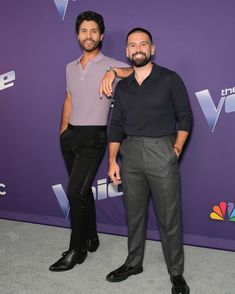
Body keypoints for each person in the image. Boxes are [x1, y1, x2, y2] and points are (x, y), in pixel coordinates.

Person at [106, 28, 192, 294]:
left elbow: (185, 116)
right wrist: (112, 161)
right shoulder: (123, 86)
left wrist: (175, 149)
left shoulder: (170, 79)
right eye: (132, 45)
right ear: (126, 51)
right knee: (134, 214)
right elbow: (116, 124)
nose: (138, 49)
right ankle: (134, 263)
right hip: (130, 152)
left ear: (152, 49)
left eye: (143, 44)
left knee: (169, 217)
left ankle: (176, 273)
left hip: (161, 151)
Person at [49, 11, 132, 272]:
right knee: (82, 191)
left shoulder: (111, 63)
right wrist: (63, 129)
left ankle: (77, 249)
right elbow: (70, 99)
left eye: (94, 31)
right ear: (77, 35)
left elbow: (136, 71)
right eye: (84, 31)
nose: (89, 35)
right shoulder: (69, 67)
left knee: (74, 191)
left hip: (94, 136)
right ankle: (92, 236)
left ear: (102, 36)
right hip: (71, 135)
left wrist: (113, 71)